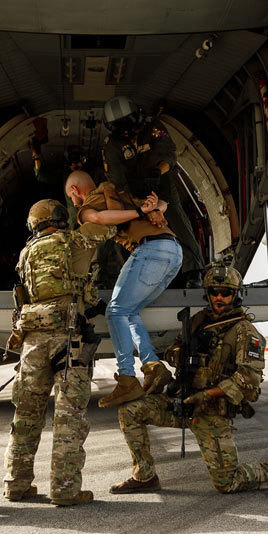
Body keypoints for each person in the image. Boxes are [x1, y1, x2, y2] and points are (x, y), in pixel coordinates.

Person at [109, 260, 268, 494]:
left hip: (211, 410)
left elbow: (249, 379)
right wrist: (180, 356)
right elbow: (172, 350)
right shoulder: (197, 322)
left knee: (227, 483)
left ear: (236, 295)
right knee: (129, 412)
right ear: (208, 294)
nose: (219, 298)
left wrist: (206, 395)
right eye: (214, 292)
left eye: (226, 293)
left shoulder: (244, 331)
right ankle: (144, 476)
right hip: (182, 402)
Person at [2, 199, 115, 506]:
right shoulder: (76, 240)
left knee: (26, 414)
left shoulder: (27, 252)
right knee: (69, 416)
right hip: (68, 339)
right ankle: (65, 489)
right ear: (61, 218)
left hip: (32, 341)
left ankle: (16, 485)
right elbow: (108, 225)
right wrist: (88, 209)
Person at [65, 169, 179, 408]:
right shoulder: (119, 195)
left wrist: (142, 211)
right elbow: (162, 203)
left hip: (151, 252)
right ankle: (153, 367)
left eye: (71, 195)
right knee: (129, 312)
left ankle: (127, 378)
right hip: (173, 253)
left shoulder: (89, 204)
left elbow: (96, 219)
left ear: (75, 190)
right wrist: (155, 208)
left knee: (115, 311)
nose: (73, 202)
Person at [101, 96, 204, 283]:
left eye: (132, 130)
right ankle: (122, 276)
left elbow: (169, 154)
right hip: (130, 190)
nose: (130, 135)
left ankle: (192, 271)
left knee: (177, 219)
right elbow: (118, 182)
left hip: (160, 181)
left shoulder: (154, 127)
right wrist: (143, 208)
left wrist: (158, 171)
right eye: (125, 133)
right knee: (126, 226)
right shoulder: (111, 146)